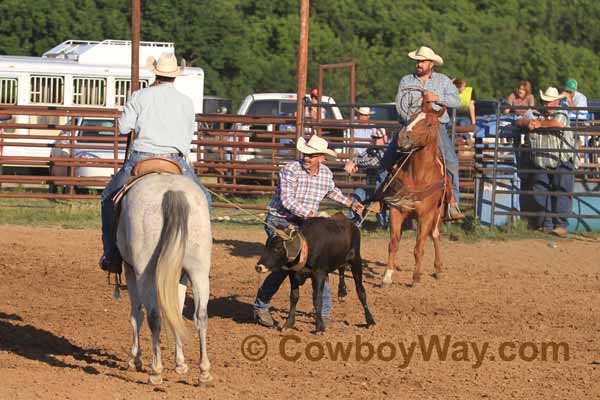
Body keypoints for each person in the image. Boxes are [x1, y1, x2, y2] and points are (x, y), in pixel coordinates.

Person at [99, 53, 212, 272]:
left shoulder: (140, 96)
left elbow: (123, 128)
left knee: (107, 199)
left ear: (156, 73)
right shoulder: (185, 101)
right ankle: (202, 254)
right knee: (205, 198)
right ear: (174, 77)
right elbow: (187, 135)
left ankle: (112, 254)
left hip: (142, 158)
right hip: (174, 160)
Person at [254, 135, 365, 328]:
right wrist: (313, 214)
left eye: (312, 155)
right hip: (281, 220)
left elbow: (331, 191)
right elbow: (288, 201)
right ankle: (261, 306)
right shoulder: (290, 169)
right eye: (306, 153)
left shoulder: (325, 174)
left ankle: (323, 312)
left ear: (321, 157)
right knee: (285, 263)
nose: (307, 157)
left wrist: (350, 203)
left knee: (320, 262)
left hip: (306, 224)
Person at [381, 45, 464, 220]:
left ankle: (452, 203)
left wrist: (437, 98)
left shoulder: (442, 81)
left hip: (435, 126)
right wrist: (412, 120)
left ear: (431, 63)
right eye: (418, 61)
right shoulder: (406, 81)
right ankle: (379, 198)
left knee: (451, 162)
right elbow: (400, 105)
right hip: (412, 124)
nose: (419, 64)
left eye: (422, 61)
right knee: (387, 159)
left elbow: (457, 101)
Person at [517, 87, 576, 237]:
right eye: (545, 102)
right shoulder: (535, 113)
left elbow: (558, 123)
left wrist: (539, 124)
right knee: (541, 192)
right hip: (542, 162)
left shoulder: (562, 112)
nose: (547, 105)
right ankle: (548, 224)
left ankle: (560, 226)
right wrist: (528, 122)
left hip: (562, 160)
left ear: (557, 101)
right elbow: (519, 121)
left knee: (561, 192)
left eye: (550, 102)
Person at [345, 129, 389, 228]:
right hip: (371, 188)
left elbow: (375, 161)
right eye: (374, 138)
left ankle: (384, 225)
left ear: (385, 138)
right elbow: (361, 156)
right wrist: (353, 162)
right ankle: (353, 225)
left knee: (385, 214)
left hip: (385, 189)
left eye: (378, 138)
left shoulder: (388, 149)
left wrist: (355, 162)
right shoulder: (371, 149)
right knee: (358, 195)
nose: (376, 141)